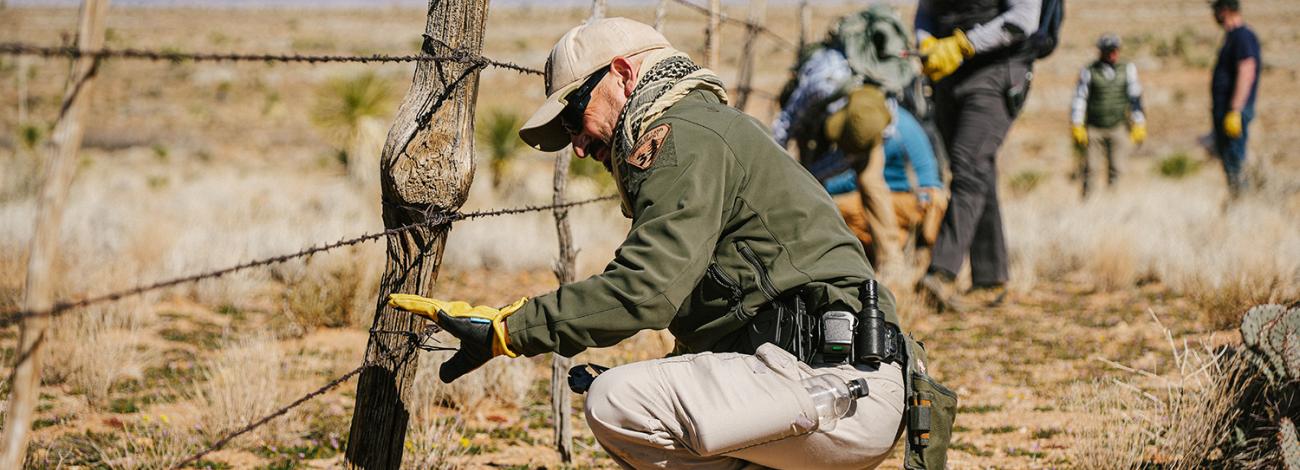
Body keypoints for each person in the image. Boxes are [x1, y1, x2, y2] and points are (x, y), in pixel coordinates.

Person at [386, 18, 950, 469]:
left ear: (624, 75)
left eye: (576, 115)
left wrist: (509, 331)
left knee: (619, 402)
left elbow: (642, 293)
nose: (578, 145)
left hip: (836, 390)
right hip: (842, 382)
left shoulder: (683, 136)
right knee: (642, 394)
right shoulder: (707, 128)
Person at [913, 0, 1041, 311]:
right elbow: (926, 10)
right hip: (948, 77)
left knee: (968, 162)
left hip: (997, 72)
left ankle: (941, 273)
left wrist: (966, 44)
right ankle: (990, 280)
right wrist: (926, 42)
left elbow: (1025, 18)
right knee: (975, 169)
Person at [772, 39, 903, 270]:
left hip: (864, 127)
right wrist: (776, 166)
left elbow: (849, 157)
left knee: (872, 183)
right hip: (816, 119)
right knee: (808, 188)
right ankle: (808, 254)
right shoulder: (819, 87)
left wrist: (810, 175)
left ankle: (892, 262)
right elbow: (787, 122)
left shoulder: (885, 109)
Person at [815, 103, 948, 258]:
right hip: (912, 196)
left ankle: (890, 251)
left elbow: (856, 177)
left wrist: (819, 185)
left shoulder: (890, 134)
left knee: (835, 208)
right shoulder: (896, 116)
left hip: (920, 201)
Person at [1070, 33, 1147, 198]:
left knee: (1118, 167)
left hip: (1118, 126)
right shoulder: (1089, 71)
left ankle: (1113, 201)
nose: (1112, 54)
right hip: (1094, 128)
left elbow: (1135, 97)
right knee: (1091, 168)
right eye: (1108, 50)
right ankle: (1087, 202)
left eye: (1115, 50)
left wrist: (1139, 123)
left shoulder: (1128, 69)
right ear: (1101, 51)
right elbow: (1080, 98)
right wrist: (1077, 124)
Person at [1209, 0, 1261, 198]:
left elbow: (1247, 69)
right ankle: (1237, 198)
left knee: (1235, 158)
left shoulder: (1242, 36)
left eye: (1215, 10)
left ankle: (1243, 201)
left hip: (1235, 112)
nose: (1213, 15)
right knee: (1229, 159)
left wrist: (1235, 110)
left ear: (1225, 11)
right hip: (1228, 111)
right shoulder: (1232, 37)